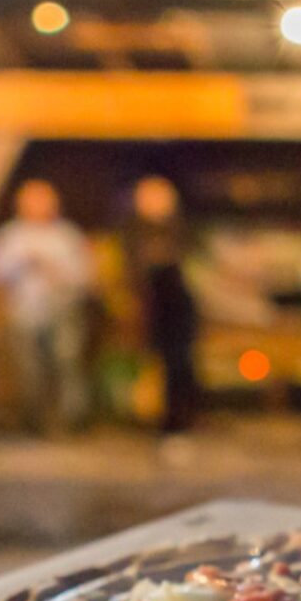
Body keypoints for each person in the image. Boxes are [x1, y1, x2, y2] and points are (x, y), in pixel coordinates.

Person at [0, 180, 93, 432]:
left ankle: (71, 420)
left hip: (63, 309)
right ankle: (35, 420)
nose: (37, 207)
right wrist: (22, 262)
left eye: (43, 201)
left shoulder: (66, 235)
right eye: (31, 201)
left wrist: (52, 268)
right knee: (29, 367)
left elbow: (84, 276)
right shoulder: (10, 236)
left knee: (66, 362)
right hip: (24, 311)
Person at [123, 176, 199, 432]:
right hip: (149, 307)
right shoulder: (132, 231)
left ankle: (182, 418)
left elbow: (193, 266)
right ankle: (154, 418)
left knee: (181, 364)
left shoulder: (182, 228)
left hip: (179, 308)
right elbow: (131, 268)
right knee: (152, 366)